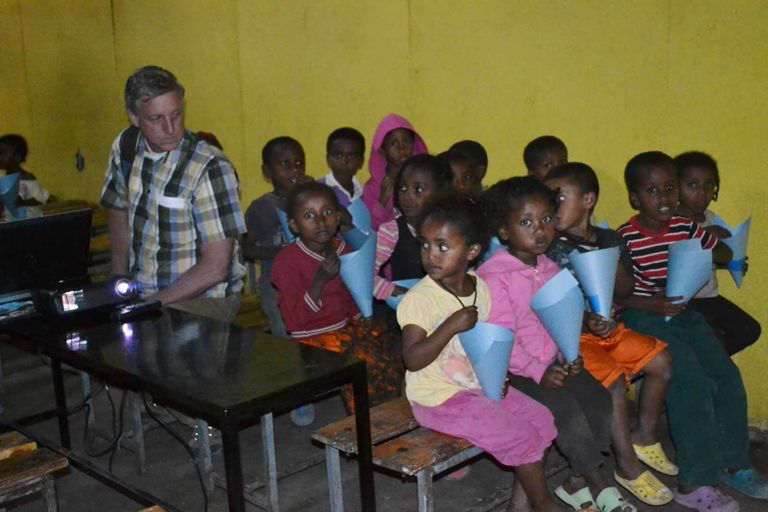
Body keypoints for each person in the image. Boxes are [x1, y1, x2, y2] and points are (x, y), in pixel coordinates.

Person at [616, 151, 768, 511]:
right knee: (691, 382)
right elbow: (616, 295)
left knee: (726, 375)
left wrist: (708, 242)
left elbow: (725, 253)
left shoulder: (684, 227)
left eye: (670, 188)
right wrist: (651, 304)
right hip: (643, 316)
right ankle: (693, 483)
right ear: (635, 198)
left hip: (683, 312)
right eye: (652, 190)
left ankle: (734, 464)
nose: (664, 198)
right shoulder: (625, 238)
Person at [398, 200, 571, 512]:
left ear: (472, 252)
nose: (431, 255)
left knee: (543, 421)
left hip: (476, 387)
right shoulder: (420, 299)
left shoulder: (481, 288)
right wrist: (450, 326)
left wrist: (494, 376)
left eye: (442, 246)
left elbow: (487, 345)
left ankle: (519, 504)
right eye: (425, 244)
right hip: (438, 399)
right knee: (521, 436)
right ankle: (546, 506)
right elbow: (412, 358)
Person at [477, 177, 635, 512]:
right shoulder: (494, 276)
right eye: (526, 222)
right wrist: (539, 371)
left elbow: (561, 319)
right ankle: (597, 482)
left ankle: (576, 481)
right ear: (503, 231)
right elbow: (500, 339)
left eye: (547, 219)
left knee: (599, 398)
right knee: (565, 413)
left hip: (553, 363)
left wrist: (569, 352)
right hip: (511, 372)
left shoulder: (550, 268)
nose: (540, 230)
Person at [543, 163, 674, 506]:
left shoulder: (610, 239)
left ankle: (644, 437)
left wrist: (607, 260)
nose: (551, 207)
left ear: (588, 200)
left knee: (662, 361)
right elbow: (549, 303)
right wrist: (585, 319)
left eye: (558, 198)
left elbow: (625, 290)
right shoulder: (549, 247)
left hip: (608, 329)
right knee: (613, 383)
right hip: (572, 337)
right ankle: (627, 467)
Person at [100, 66, 246, 322]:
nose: (170, 128)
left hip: (205, 298)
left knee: (164, 337)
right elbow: (118, 207)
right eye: (157, 119)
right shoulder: (125, 147)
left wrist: (149, 305)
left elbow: (215, 268)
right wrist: (120, 276)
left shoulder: (209, 167)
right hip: (145, 292)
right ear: (134, 117)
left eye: (176, 115)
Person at [673, 151, 760, 356]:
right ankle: (706, 362)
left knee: (749, 330)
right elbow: (673, 256)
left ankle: (705, 362)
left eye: (709, 186)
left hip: (709, 295)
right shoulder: (670, 221)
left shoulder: (711, 217)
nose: (702, 193)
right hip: (684, 301)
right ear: (674, 187)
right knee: (712, 338)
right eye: (692, 185)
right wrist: (704, 236)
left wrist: (729, 263)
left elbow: (710, 257)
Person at [271, 181, 359, 341]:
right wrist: (319, 281)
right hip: (310, 339)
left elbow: (352, 299)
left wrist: (360, 322)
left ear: (338, 217)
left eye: (327, 212)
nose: (321, 221)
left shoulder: (344, 251)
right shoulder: (287, 261)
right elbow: (295, 320)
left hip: (346, 334)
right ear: (294, 225)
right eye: (309, 216)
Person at [242, 136, 310, 338]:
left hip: (309, 282)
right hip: (276, 286)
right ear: (267, 171)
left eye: (299, 163)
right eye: (285, 164)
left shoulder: (310, 200)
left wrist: (314, 193)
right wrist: (279, 254)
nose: (294, 170)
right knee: (286, 333)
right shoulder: (261, 207)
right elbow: (245, 248)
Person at [373, 155, 454, 303]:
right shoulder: (391, 231)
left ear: (440, 192)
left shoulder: (451, 230)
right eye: (403, 188)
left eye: (418, 190)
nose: (407, 197)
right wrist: (394, 291)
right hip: (404, 308)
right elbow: (364, 275)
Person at [362, 113, 428, 231]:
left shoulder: (425, 180)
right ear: (382, 151)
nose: (402, 149)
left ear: (414, 144)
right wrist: (382, 200)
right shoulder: (371, 187)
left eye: (406, 142)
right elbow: (370, 228)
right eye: (394, 144)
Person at [0, 134, 50, 219]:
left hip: (32, 223)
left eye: (2, 153)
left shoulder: (27, 178)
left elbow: (41, 199)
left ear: (17, 157)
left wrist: (23, 202)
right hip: (13, 224)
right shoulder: (3, 182)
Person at [318, 127, 365, 208]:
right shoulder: (318, 191)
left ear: (361, 161)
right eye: (338, 155)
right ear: (328, 159)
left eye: (351, 156)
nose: (344, 162)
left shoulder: (364, 193)